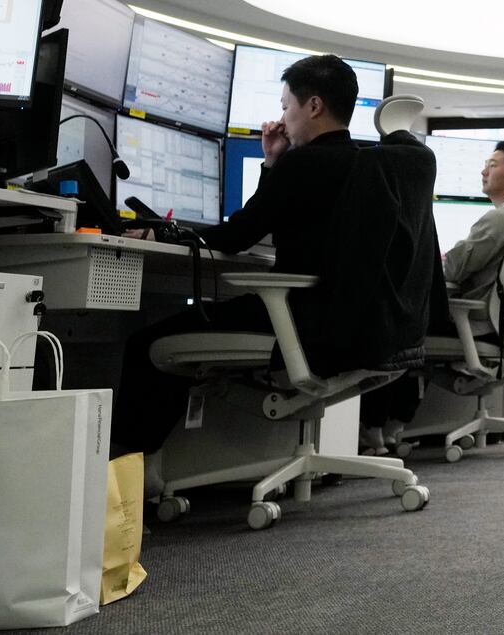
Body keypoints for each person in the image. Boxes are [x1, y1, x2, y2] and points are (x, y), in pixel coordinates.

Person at [112, 55, 365, 458]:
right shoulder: (365, 166)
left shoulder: (304, 163)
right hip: (336, 320)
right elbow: (270, 219)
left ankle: (127, 481)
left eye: (286, 107)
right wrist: (273, 162)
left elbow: (237, 235)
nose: (283, 116)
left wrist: (161, 231)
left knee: (147, 344)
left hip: (295, 319)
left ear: (313, 106)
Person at [442, 141, 504, 302]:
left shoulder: (502, 217)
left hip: (473, 316)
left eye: (492, 166)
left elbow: (453, 270)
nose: (483, 172)